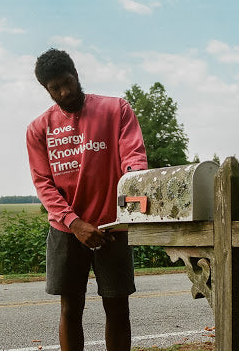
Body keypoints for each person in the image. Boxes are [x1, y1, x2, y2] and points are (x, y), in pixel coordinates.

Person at [26, 48, 148, 350]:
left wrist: (133, 190)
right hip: (67, 230)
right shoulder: (39, 129)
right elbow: (44, 183)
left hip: (113, 228)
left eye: (68, 81)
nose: (65, 91)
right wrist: (75, 222)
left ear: (76, 73)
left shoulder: (116, 109)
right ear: (46, 89)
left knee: (118, 308)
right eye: (56, 88)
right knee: (70, 308)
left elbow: (133, 157)